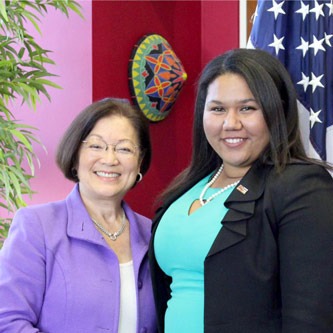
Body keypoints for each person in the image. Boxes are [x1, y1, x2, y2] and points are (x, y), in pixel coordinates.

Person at [148, 48, 333, 333]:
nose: (230, 123)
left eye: (247, 108)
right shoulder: (188, 187)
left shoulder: (302, 187)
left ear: (276, 112)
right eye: (218, 109)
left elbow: (312, 318)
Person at [0, 98, 157, 333]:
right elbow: (8, 321)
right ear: (75, 155)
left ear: (139, 162)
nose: (110, 159)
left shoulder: (153, 233)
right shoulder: (37, 226)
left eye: (124, 149)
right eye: (96, 146)